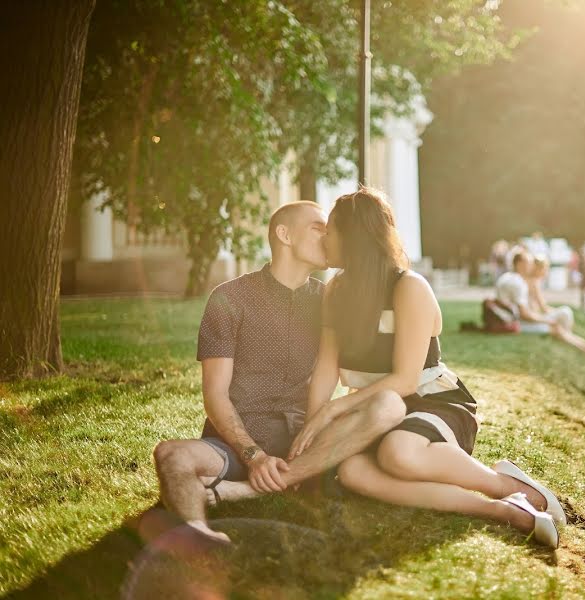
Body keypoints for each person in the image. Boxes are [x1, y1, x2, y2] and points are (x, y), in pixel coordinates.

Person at [212, 188, 565, 547]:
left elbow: (405, 380)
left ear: (352, 235)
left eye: (329, 229)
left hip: (432, 401)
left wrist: (335, 408)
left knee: (399, 453)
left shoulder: (408, 287)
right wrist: (311, 432)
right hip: (375, 410)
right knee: (352, 473)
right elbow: (326, 371)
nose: (325, 238)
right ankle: (505, 511)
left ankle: (506, 485)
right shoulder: (335, 290)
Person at [151, 201, 406, 543]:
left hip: (308, 443)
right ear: (284, 235)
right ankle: (195, 532)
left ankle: (264, 485)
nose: (329, 234)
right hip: (236, 443)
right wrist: (253, 456)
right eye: (318, 227)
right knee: (171, 454)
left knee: (385, 407)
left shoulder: (331, 299)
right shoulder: (228, 298)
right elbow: (215, 394)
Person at [496, 250, 585, 362]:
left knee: (558, 326)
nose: (531, 266)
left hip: (507, 320)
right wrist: (548, 320)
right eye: (528, 262)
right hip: (512, 324)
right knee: (556, 329)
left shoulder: (509, 278)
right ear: (520, 264)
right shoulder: (517, 282)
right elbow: (524, 314)